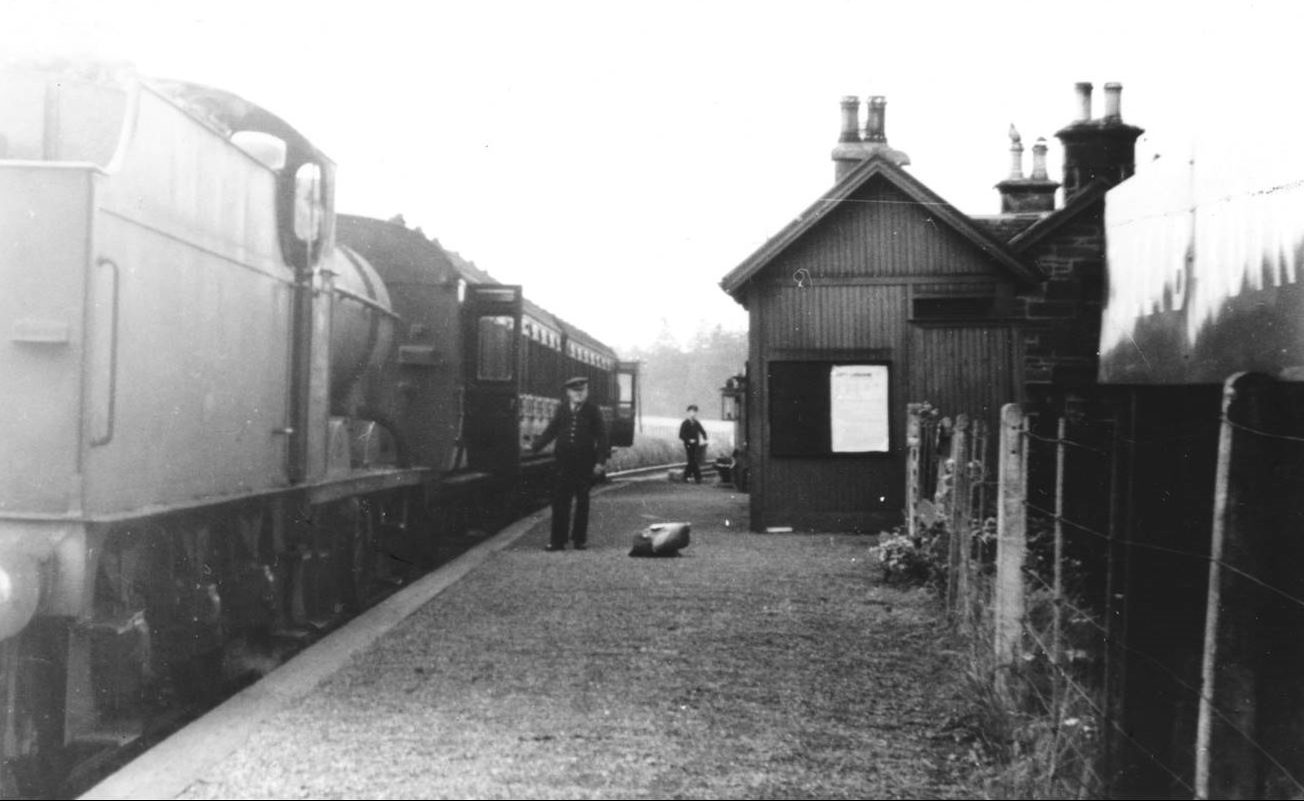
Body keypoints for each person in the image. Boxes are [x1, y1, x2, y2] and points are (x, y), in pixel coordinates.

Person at [531, 376, 609, 551]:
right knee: (560, 502)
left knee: (582, 502)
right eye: (575, 391)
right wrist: (535, 447)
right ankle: (557, 541)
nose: (579, 394)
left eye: (582, 391)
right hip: (563, 463)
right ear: (568, 393)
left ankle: (579, 540)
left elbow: (602, 437)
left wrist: (600, 462)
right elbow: (551, 430)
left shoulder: (592, 410)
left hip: (584, 463)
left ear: (586, 392)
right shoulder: (563, 409)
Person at [678, 404, 709, 484]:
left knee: (692, 461)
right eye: (691, 412)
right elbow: (681, 435)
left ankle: (686, 477)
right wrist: (688, 440)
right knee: (693, 460)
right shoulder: (685, 423)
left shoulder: (696, 423)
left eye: (695, 412)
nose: (693, 414)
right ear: (688, 413)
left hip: (696, 445)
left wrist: (705, 438)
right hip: (688, 445)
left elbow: (702, 431)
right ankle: (697, 478)